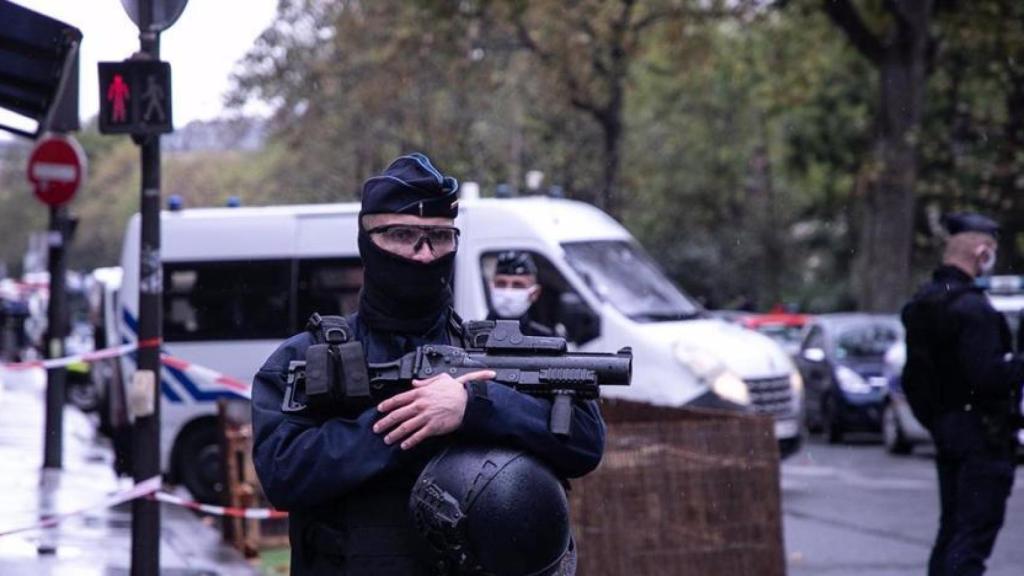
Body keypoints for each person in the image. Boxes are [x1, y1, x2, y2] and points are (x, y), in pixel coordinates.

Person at [251, 153, 606, 575]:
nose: (423, 255)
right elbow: (282, 475)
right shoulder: (305, 357)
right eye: (403, 235)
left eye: (439, 237)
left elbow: (584, 443)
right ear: (367, 243)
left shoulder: (496, 351)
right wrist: (409, 423)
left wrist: (475, 407)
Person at [901, 212, 1023, 576]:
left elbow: (915, 378)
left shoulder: (925, 303)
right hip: (982, 437)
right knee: (971, 540)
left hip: (948, 430)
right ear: (981, 250)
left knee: (952, 532)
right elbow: (987, 375)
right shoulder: (973, 310)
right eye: (993, 250)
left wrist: (938, 419)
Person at [487, 250, 555, 337]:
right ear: (491, 288)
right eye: (501, 283)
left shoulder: (545, 339)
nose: (508, 294)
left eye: (517, 285)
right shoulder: (474, 336)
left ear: (534, 293)